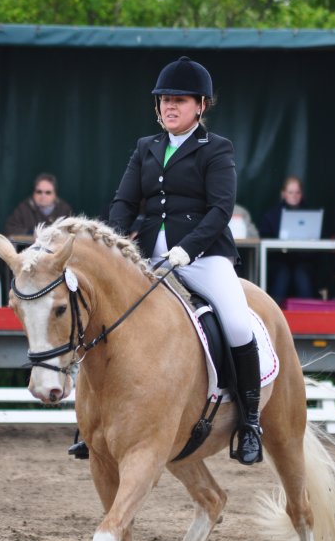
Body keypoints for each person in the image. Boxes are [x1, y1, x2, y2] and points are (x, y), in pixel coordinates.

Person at [104, 55, 263, 465]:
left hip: (202, 256)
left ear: (200, 105)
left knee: (237, 323)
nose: (169, 106)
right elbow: (124, 201)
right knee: (103, 314)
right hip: (147, 256)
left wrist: (188, 249)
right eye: (164, 100)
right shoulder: (146, 147)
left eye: (179, 100)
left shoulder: (216, 148)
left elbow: (221, 209)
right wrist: (113, 242)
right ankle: (95, 419)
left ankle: (250, 422)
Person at [258, 176, 314, 305]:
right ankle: (274, 312)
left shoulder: (311, 214)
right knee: (283, 273)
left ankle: (309, 313)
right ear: (283, 194)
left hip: (303, 261)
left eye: (297, 192)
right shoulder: (271, 215)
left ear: (302, 194)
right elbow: (265, 239)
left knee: (302, 273)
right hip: (279, 260)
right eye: (290, 192)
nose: (294, 196)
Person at [4, 174, 72, 237]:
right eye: (39, 192)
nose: (43, 196)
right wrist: (31, 233)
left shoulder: (64, 209)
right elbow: (10, 230)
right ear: (34, 192)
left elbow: (71, 232)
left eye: (48, 192)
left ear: (55, 194)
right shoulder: (23, 209)